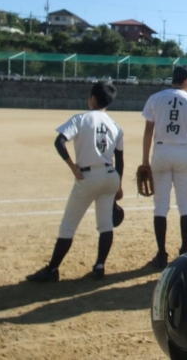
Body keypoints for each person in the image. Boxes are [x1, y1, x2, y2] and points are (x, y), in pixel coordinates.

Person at [26, 82, 124, 282]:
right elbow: (120, 159)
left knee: (68, 225)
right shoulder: (115, 125)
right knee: (105, 224)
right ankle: (100, 265)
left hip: (88, 177)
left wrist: (72, 167)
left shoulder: (81, 118)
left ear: (93, 98)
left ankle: (52, 269)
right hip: (110, 175)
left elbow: (59, 141)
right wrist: (119, 186)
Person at [141, 65, 187, 269]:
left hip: (161, 151)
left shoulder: (155, 98)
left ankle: (161, 254)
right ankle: (184, 250)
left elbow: (148, 132)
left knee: (160, 206)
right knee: (185, 203)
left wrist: (145, 160)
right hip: (183, 152)